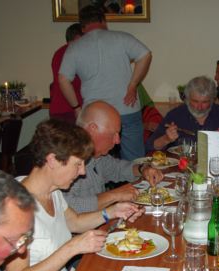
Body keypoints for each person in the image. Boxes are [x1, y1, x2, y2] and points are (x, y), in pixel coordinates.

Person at [5, 119, 142, 271]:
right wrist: (73, 247)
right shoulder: (16, 207)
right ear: (52, 160)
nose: (83, 171)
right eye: (77, 164)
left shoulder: (53, 191)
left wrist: (112, 212)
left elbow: (75, 221)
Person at [59, 4, 152, 161]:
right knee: (134, 161)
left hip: (96, 118)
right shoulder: (122, 37)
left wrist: (76, 108)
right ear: (103, 20)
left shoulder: (75, 48)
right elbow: (145, 54)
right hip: (127, 108)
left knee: (95, 161)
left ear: (82, 26)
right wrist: (132, 85)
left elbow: (63, 79)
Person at [63, 100, 164, 213]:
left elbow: (118, 169)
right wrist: (114, 195)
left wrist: (143, 169)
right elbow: (68, 207)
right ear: (92, 129)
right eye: (114, 134)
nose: (117, 141)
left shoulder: (97, 157)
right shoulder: (66, 159)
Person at [146, 76, 219, 153]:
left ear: (212, 100)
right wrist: (166, 139)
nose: (199, 107)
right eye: (195, 101)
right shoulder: (176, 115)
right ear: (187, 99)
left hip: (216, 168)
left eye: (205, 102)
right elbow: (150, 146)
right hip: (181, 169)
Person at [49, 23, 83, 124]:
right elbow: (68, 82)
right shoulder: (72, 53)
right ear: (77, 37)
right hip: (69, 110)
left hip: (60, 109)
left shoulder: (60, 52)